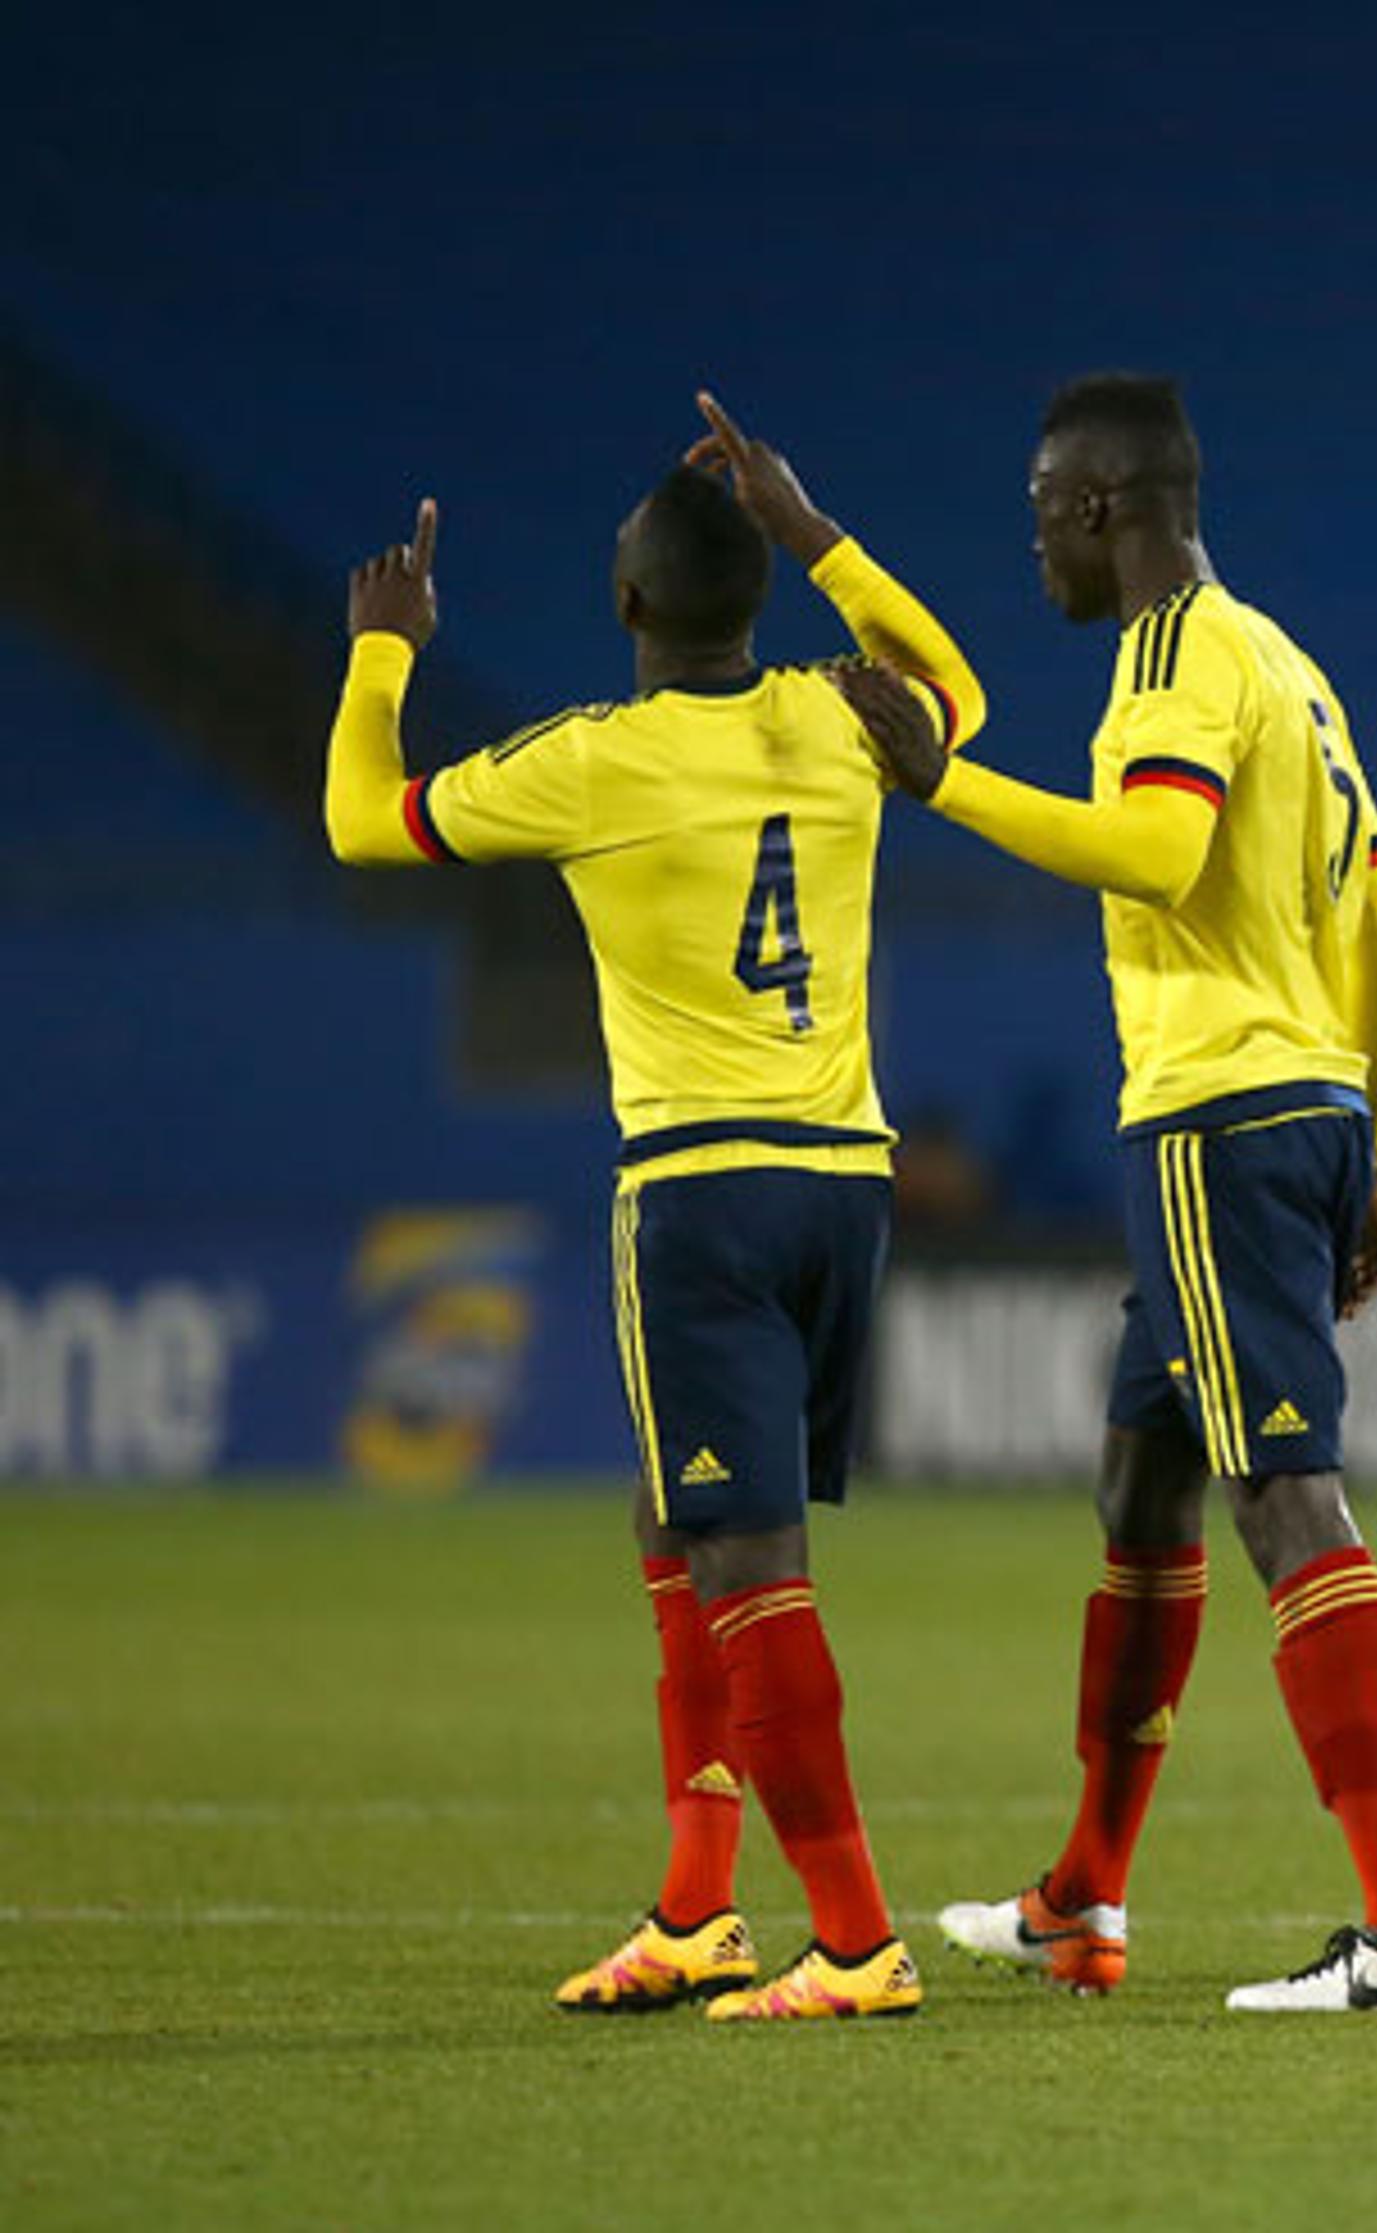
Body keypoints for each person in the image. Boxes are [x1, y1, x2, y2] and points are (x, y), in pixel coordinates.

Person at [321, 393, 987, 2021]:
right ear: (755, 592)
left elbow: (362, 815)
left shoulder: (587, 762)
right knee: (674, 1518)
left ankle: (856, 1938)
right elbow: (954, 691)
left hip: (703, 1192)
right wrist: (816, 528)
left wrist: (385, 649)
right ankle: (699, 1910)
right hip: (845, 1178)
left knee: (748, 1558)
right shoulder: (845, 719)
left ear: (627, 608)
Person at [838, 372, 1377, 2015]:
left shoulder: (1178, 657)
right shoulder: (1288, 664)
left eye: (1043, 508)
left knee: (1279, 1492)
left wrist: (943, 785)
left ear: (1102, 505)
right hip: (1309, 1104)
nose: (1033, 538)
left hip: (1218, 1116)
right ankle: (1082, 1900)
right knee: (1146, 1474)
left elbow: (1157, 855)